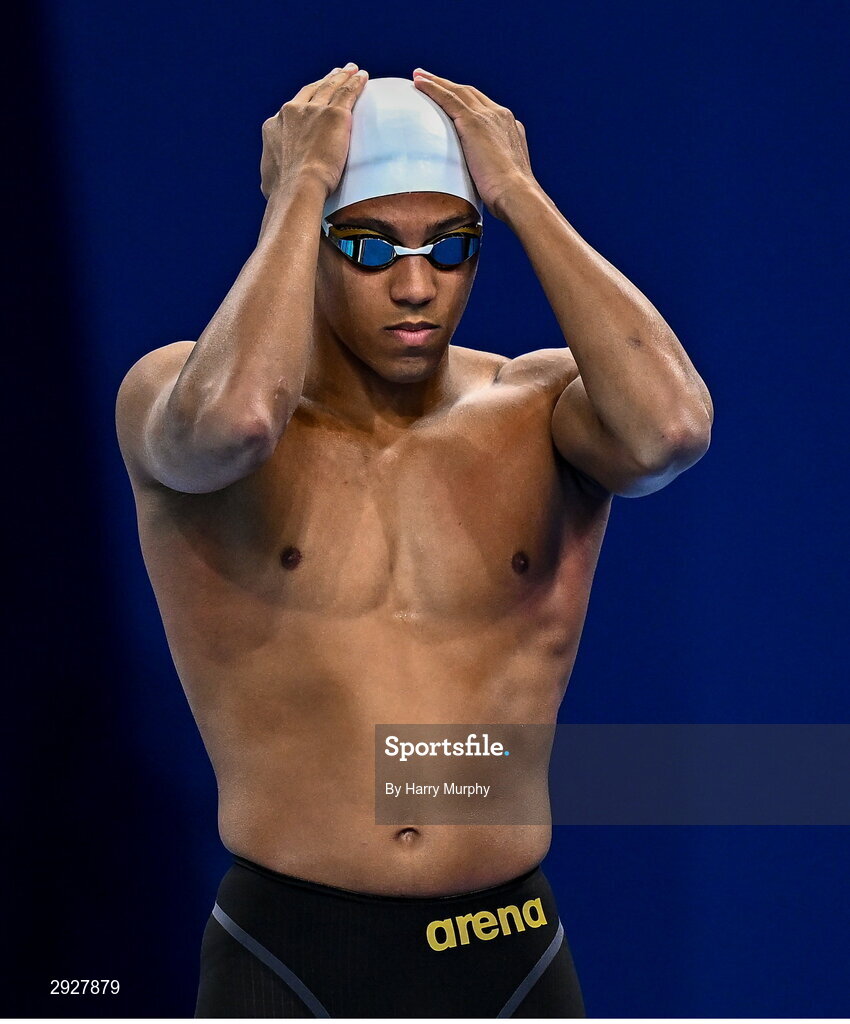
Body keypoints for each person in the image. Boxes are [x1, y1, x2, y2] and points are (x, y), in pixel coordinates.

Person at [116, 63, 713, 1018]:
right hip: (292, 950)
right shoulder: (175, 397)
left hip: (506, 947)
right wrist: (298, 190)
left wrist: (517, 192)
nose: (414, 285)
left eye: (451, 247)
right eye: (366, 246)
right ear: (310, 244)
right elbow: (236, 422)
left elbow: (673, 431)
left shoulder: (541, 406)